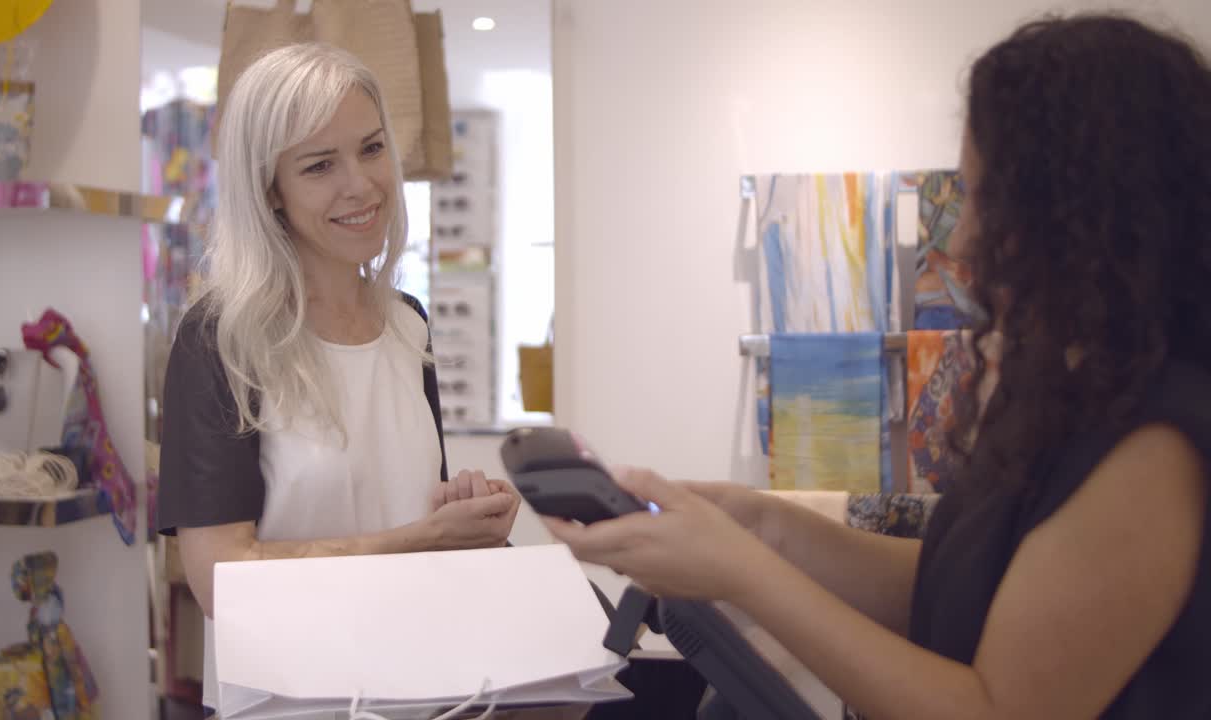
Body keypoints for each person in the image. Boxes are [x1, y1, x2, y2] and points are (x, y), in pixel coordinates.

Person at [550, 13, 1211, 720]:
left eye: (983, 199)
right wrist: (760, 527)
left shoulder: (1155, 446)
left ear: (1084, 212)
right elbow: (950, 590)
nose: (961, 235)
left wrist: (739, 571)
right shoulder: (1063, 394)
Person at [155, 43, 520, 715]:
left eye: (372, 149)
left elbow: (407, 510)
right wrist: (418, 540)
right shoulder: (223, 341)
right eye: (320, 165)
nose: (361, 184)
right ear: (271, 188)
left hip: (426, 692)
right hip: (288, 703)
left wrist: (463, 515)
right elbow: (219, 581)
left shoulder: (407, 325)